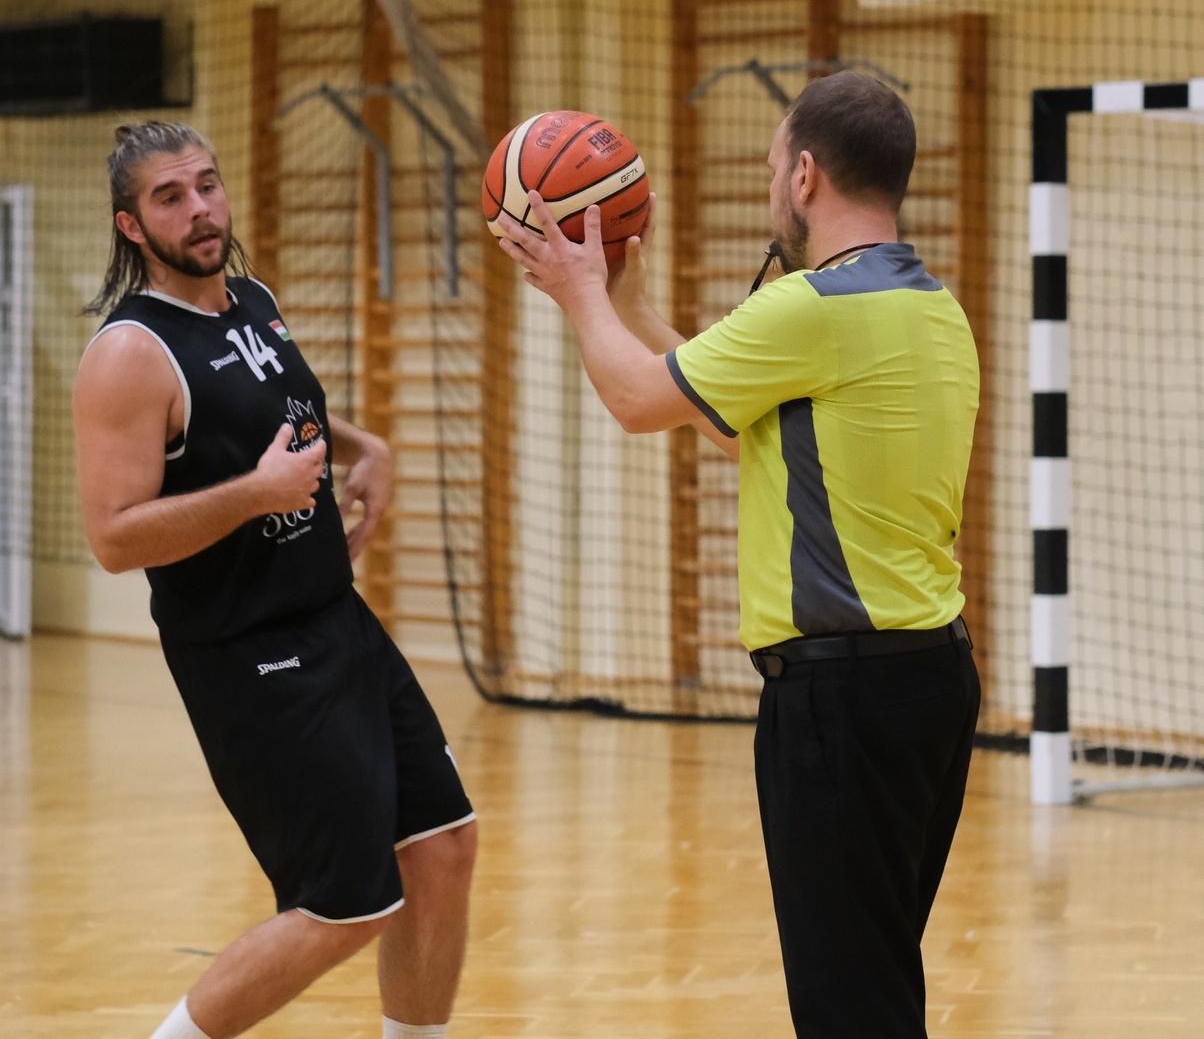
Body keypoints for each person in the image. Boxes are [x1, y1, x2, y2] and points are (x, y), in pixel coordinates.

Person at [496, 71, 982, 1039]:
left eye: (769, 170)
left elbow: (637, 402)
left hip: (842, 702)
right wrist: (630, 310)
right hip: (930, 683)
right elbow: (752, 434)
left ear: (804, 176)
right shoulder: (932, 306)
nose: (770, 192)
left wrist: (581, 295)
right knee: (877, 978)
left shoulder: (812, 307)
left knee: (849, 1007)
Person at [72, 122, 477, 1039]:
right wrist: (258, 495)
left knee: (443, 848)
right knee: (344, 903)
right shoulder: (130, 354)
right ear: (132, 226)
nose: (200, 209)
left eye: (207, 185)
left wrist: (364, 445)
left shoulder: (252, 300)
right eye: (170, 197)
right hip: (249, 654)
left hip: (336, 618)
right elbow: (113, 537)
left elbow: (277, 416)